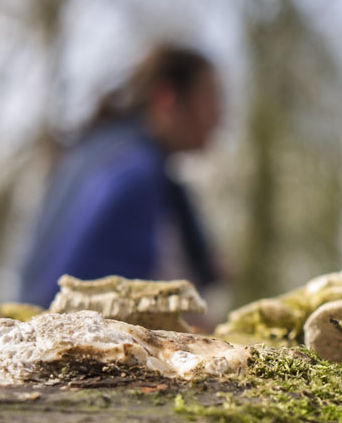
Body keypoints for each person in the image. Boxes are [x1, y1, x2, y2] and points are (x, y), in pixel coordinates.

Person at [15, 43, 225, 307]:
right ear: (166, 98)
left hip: (28, 319)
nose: (221, 117)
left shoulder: (93, 150)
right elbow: (123, 297)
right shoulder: (137, 170)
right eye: (212, 99)